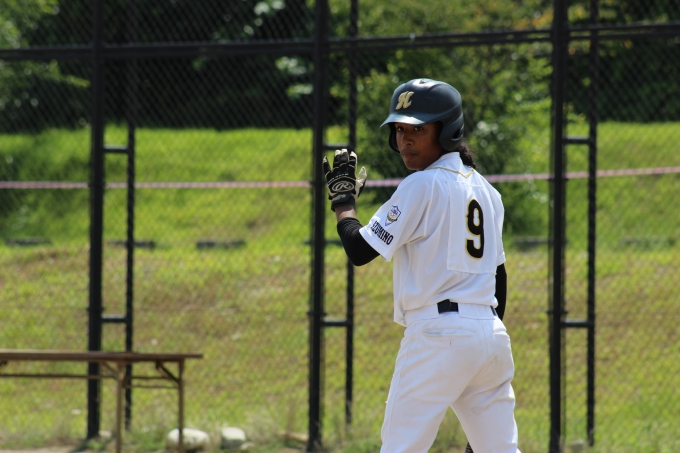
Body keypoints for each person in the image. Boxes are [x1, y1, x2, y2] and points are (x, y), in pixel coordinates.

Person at [322, 78, 520, 453]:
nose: (405, 140)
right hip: (490, 336)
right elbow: (500, 279)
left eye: (417, 129)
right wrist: (482, 340)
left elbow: (359, 250)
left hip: (437, 336)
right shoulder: (488, 192)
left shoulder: (422, 184)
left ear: (447, 131)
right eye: (399, 129)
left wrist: (343, 204)